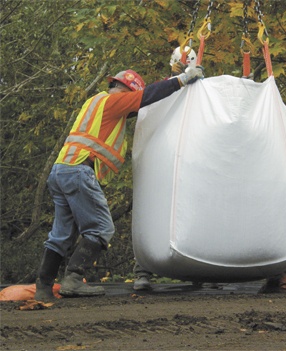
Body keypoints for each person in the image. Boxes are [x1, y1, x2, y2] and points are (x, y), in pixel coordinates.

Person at [34, 58, 204, 301]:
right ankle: (72, 279)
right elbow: (147, 96)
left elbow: (145, 102)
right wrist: (182, 79)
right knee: (102, 228)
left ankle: (43, 287)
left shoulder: (95, 102)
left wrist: (173, 78)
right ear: (127, 90)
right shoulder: (114, 102)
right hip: (79, 171)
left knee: (61, 234)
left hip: (61, 171)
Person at [132, 46, 199, 292]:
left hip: (190, 163)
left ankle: (199, 267)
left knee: (193, 211)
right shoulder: (164, 91)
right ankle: (143, 270)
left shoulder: (202, 91)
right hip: (162, 161)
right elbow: (150, 108)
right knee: (152, 209)